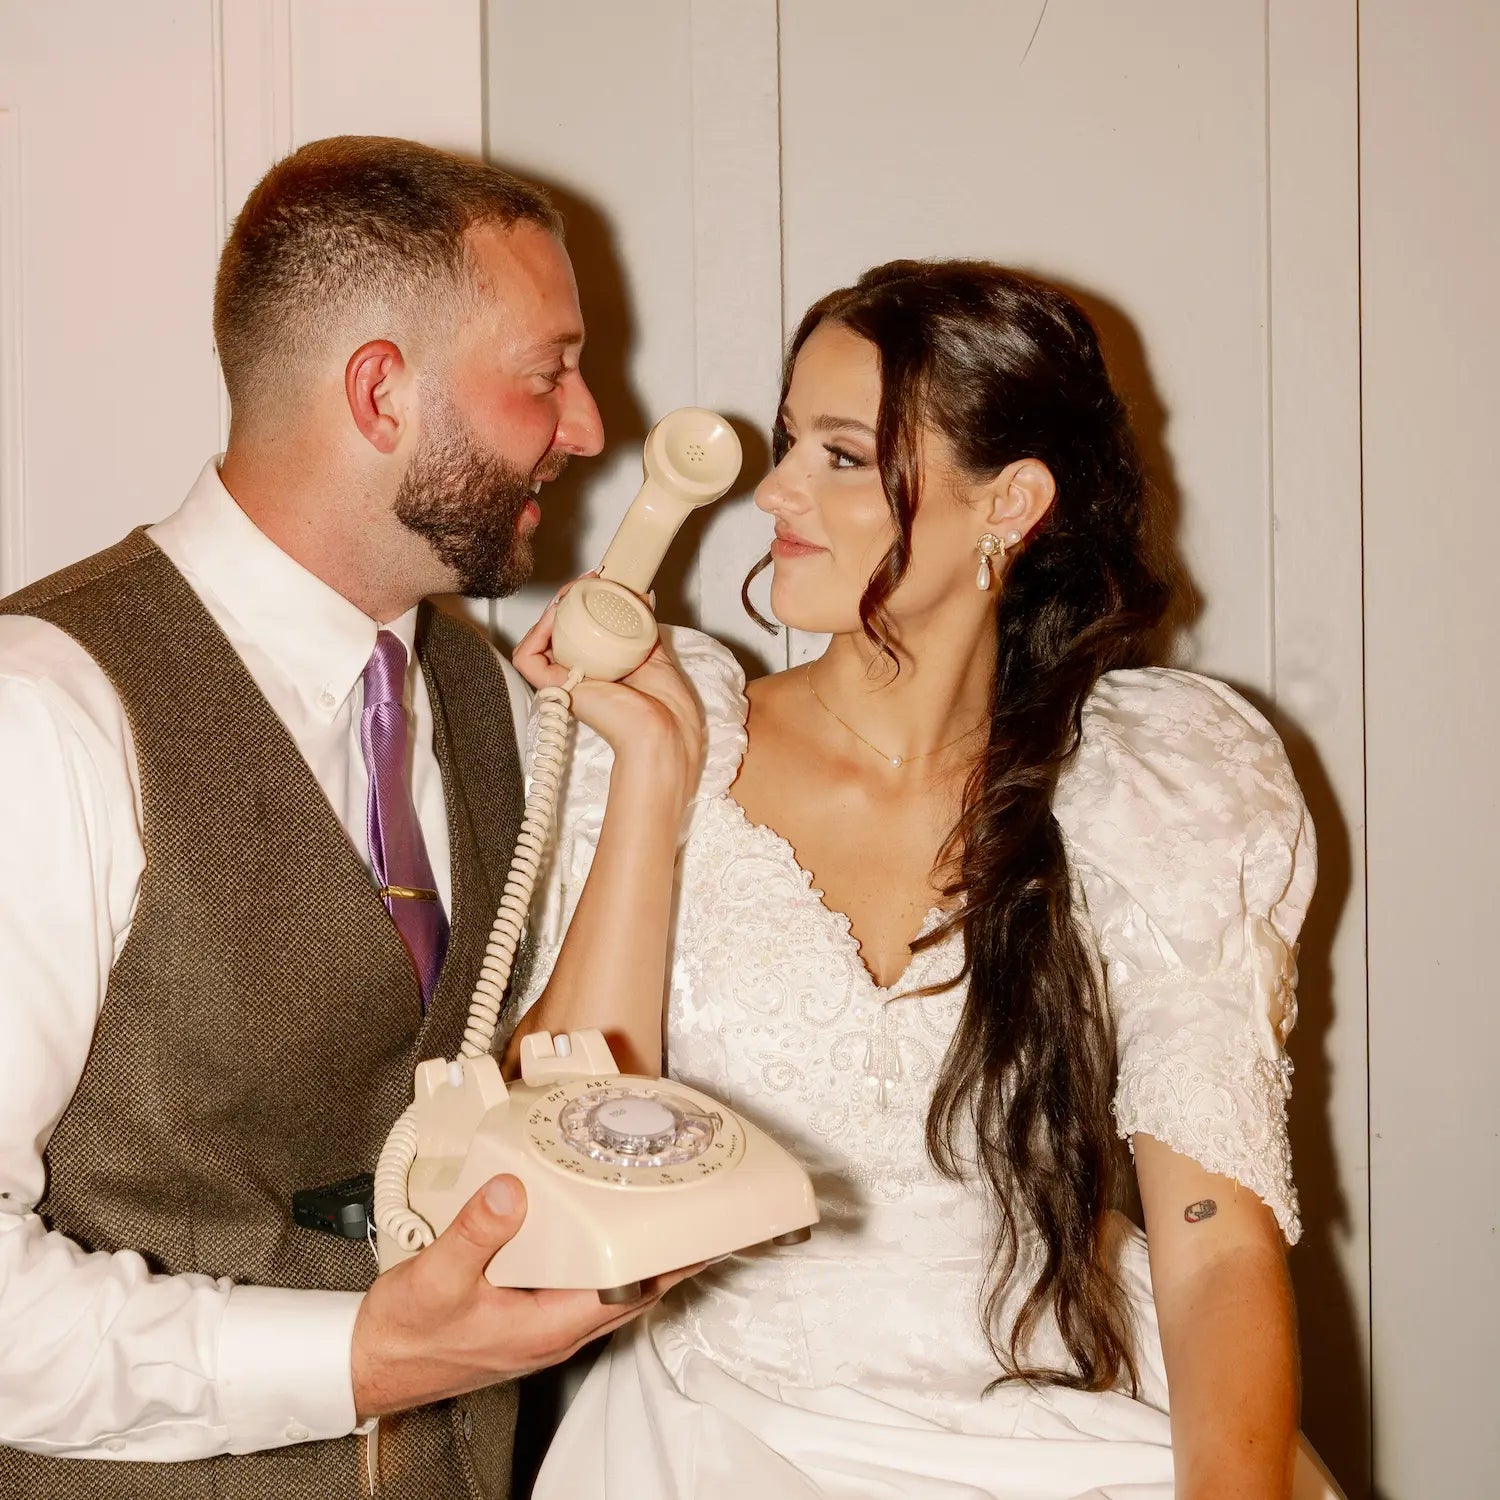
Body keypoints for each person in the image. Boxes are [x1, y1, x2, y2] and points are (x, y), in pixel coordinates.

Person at [513, 260, 1324, 1499]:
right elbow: (567, 1159)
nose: (773, 490)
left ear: (1012, 503)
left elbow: (1212, 1249)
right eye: (790, 442)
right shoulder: (681, 730)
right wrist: (652, 774)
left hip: (1079, 1427)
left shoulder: (1155, 788)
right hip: (725, 1435)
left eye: (842, 455)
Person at [0, 135, 704, 1499]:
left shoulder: (494, 702)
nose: (588, 428)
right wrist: (355, 1360)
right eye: (548, 372)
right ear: (382, 393)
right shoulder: (43, 714)